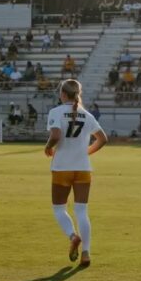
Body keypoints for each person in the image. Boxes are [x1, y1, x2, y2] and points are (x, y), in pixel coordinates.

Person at [45, 80, 108, 268]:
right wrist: (85, 152)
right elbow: (102, 139)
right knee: (82, 210)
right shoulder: (87, 115)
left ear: (63, 94)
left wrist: (48, 147)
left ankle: (73, 236)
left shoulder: (55, 112)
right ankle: (86, 253)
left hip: (62, 167)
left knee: (59, 208)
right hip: (83, 168)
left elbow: (56, 135)